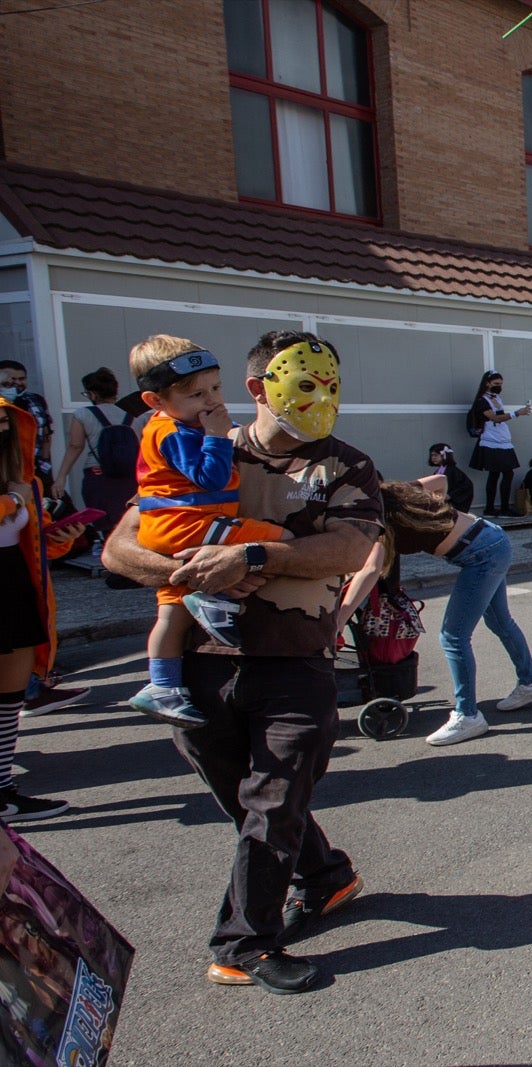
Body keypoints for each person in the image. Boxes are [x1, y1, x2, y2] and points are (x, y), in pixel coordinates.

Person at [103, 330, 380, 996]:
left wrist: (253, 556)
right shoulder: (199, 450)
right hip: (202, 664)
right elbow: (118, 549)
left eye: (331, 384)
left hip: (295, 662)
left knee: (275, 797)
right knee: (249, 802)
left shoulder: (346, 465)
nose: (322, 397)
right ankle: (326, 875)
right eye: (305, 383)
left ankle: (244, 942)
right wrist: (192, 571)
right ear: (257, 388)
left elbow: (347, 548)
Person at [123, 335, 291, 728]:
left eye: (215, 388)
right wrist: (218, 435)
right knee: (278, 541)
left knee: (171, 611)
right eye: (197, 395)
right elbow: (210, 475)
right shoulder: (174, 432)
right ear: (156, 402)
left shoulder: (180, 424)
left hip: (170, 526)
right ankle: (215, 598)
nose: (212, 400)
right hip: (188, 523)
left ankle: (162, 687)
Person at [338, 480, 532, 746]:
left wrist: (339, 618)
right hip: (487, 536)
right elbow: (440, 482)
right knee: (499, 621)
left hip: (482, 554)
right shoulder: (397, 491)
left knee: (453, 637)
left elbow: (370, 570)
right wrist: (439, 513)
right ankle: (531, 683)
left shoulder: (381, 517)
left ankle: (468, 716)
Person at [0, 398, 86, 820]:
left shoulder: (19, 480)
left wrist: (62, 537)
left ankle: (3, 790)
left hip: (14, 590)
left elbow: (31, 544)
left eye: (4, 424)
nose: (1, 431)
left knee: (9, 699)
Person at [53, 367, 138, 539]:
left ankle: (109, 558)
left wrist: (61, 477)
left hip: (98, 475)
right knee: (128, 524)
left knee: (106, 526)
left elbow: (75, 446)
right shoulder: (133, 416)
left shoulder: (83, 414)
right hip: (129, 478)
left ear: (92, 394)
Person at [466, 371, 531, 517]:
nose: (499, 387)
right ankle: (501, 508)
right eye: (496, 384)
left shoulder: (496, 399)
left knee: (496, 474)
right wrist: (517, 413)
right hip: (491, 440)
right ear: (487, 383)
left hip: (501, 439)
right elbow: (495, 418)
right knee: (505, 473)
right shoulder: (482, 401)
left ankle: (493, 508)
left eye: (500, 384)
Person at [0, 361, 53, 489]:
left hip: (36, 469)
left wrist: (44, 466)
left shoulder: (36, 400)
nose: (18, 383)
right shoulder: (3, 405)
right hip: (9, 470)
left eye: (22, 379)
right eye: (12, 380)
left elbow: (46, 434)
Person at [428, 443, 473, 512]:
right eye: (432, 455)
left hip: (451, 504)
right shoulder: (439, 471)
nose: (433, 457)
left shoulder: (452, 471)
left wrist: (450, 495)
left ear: (444, 455)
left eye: (436, 455)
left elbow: (467, 486)